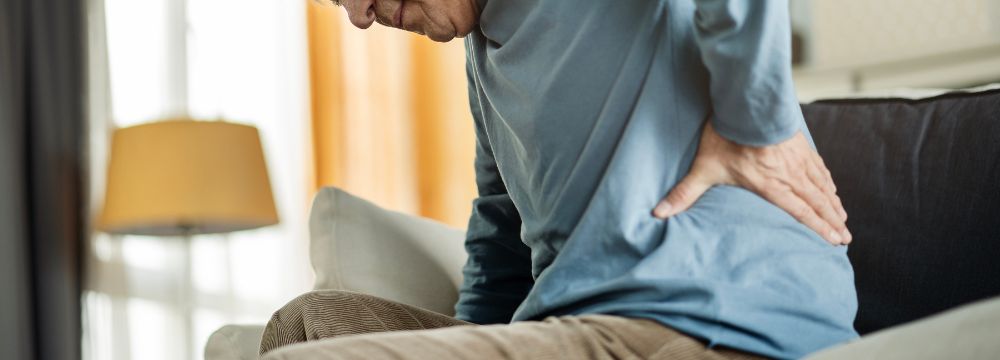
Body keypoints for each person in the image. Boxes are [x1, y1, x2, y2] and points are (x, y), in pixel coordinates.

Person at [259, 0, 859, 359]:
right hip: (582, 334)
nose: (360, 17)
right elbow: (498, 238)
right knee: (307, 326)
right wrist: (466, 342)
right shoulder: (482, 57)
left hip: (709, 324)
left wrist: (758, 125)